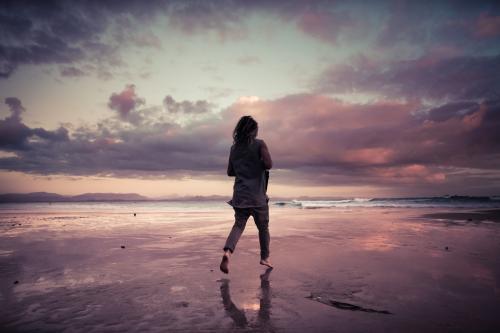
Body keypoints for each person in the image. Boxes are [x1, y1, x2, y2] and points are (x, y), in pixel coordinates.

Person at [220, 115, 273, 274]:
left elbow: (230, 172)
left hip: (240, 196)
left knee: (238, 226)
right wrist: (258, 163)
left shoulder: (233, 148)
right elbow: (269, 165)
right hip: (258, 197)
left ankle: (227, 252)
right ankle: (264, 258)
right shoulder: (259, 144)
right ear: (253, 131)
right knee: (263, 228)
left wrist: (244, 166)